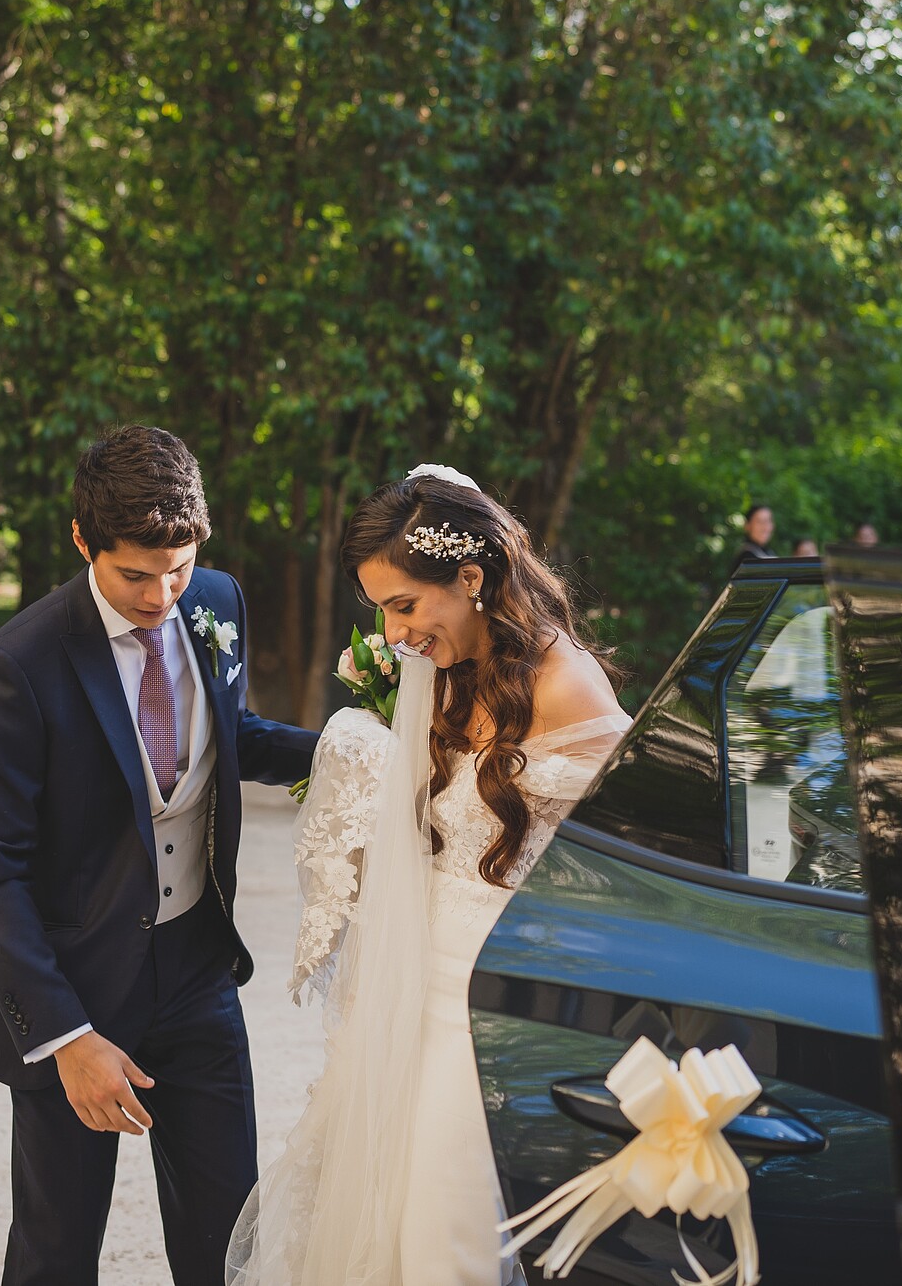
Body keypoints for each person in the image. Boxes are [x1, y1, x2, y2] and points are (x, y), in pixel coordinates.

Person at [229, 465, 631, 1286]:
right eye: (381, 609)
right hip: (412, 984)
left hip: (488, 1002)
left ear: (472, 578)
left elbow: (629, 850)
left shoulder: (570, 689)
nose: (395, 632)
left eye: (406, 605)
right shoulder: (448, 670)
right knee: (385, 1215)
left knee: (446, 1230)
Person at [0, 425, 318, 1286]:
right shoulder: (17, 667)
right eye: (135, 575)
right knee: (58, 1252)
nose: (161, 596)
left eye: (177, 570)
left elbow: (231, 736)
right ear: (83, 542)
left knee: (231, 1240)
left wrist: (358, 747)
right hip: (75, 987)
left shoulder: (217, 601)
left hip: (196, 971)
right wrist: (69, 1039)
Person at [733, 504, 777, 570]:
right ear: (747, 525)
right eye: (760, 522)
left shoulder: (769, 552)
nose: (765, 527)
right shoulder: (747, 557)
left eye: (768, 521)